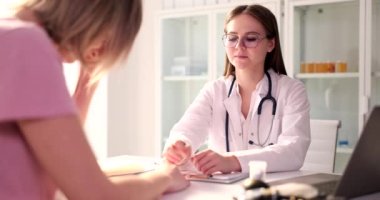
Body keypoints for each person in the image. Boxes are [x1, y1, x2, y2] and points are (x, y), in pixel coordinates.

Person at [0, 0, 189, 200]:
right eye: (109, 39)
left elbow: (62, 151)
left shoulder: (11, 35)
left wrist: (86, 81)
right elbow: (97, 195)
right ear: (100, 19)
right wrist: (165, 178)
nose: (103, 50)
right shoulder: (27, 45)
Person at [163, 4, 311, 175]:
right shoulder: (214, 90)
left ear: (270, 44)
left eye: (251, 38)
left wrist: (232, 161)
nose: (239, 46)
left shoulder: (291, 90)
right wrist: (179, 146)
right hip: (223, 192)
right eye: (232, 38)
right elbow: (186, 130)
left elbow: (293, 152)